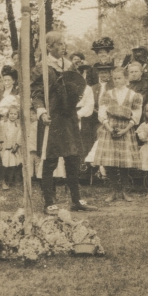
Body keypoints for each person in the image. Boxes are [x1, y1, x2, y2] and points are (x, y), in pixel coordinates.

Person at [32, 31, 96, 213]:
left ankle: (76, 200)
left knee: (73, 158)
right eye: (58, 44)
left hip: (69, 119)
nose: (63, 47)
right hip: (51, 119)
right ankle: (48, 202)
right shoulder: (41, 67)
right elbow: (35, 94)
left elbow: (76, 87)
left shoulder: (69, 66)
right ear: (49, 47)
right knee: (50, 160)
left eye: (63, 44)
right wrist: (42, 112)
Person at [96, 66, 143, 202]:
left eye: (119, 78)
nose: (116, 81)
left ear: (126, 79)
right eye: (115, 78)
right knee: (109, 162)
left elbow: (136, 115)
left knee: (124, 162)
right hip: (110, 127)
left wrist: (125, 129)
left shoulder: (134, 95)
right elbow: (102, 112)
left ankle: (123, 191)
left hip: (126, 128)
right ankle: (114, 190)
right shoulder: (108, 94)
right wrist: (109, 128)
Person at [0, 104, 23, 188]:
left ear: (18, 116)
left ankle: (10, 181)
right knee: (5, 164)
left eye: (15, 114)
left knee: (13, 164)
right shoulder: (3, 124)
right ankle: (4, 181)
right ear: (8, 114)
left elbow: (19, 137)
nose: (13, 116)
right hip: (5, 147)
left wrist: (16, 145)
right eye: (11, 114)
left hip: (13, 148)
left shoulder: (18, 126)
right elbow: (1, 134)